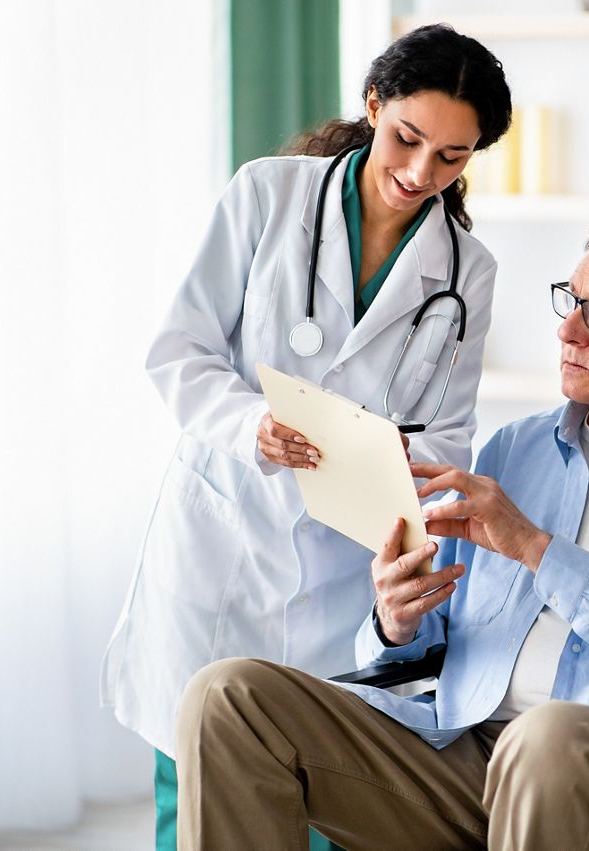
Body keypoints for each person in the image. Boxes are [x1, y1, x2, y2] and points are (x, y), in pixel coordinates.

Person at [173, 203, 589, 850]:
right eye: (570, 301)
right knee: (228, 697)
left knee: (549, 737)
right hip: (463, 751)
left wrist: (537, 549)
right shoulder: (516, 449)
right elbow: (428, 642)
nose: (568, 331)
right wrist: (396, 619)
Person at [99, 24, 513, 850]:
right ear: (372, 105)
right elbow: (177, 352)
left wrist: (412, 467)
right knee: (198, 788)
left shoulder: (469, 272)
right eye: (407, 138)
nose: (419, 173)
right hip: (223, 544)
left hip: (338, 569)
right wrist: (250, 424)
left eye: (451, 157)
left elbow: (450, 434)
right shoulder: (267, 196)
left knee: (325, 795)